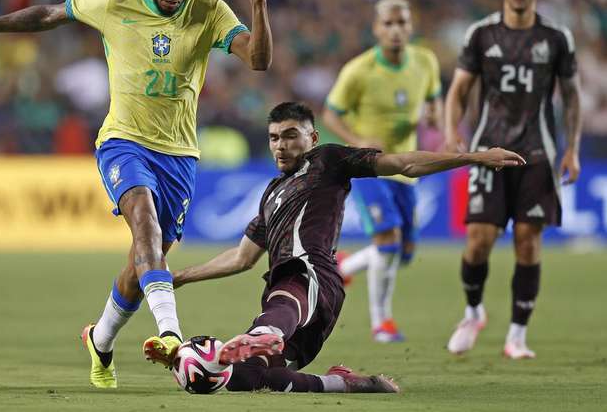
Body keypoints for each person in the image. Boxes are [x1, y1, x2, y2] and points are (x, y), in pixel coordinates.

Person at [0, 0, 273, 387]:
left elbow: (257, 60)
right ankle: (172, 336)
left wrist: (258, 4)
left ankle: (101, 339)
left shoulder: (210, 11)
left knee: (142, 263)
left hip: (178, 155)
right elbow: (47, 15)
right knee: (145, 224)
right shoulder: (114, 3)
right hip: (123, 141)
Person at [172, 102, 524, 393]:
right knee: (250, 379)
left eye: (291, 136)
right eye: (274, 137)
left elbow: (405, 164)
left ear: (313, 137)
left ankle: (265, 335)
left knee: (286, 290)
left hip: (307, 276)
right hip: (314, 300)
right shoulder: (270, 195)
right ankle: (347, 383)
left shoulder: (327, 160)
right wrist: (181, 277)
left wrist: (474, 157)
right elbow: (242, 257)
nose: (281, 145)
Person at [444, 0, 582, 359]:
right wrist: (454, 132)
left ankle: (518, 335)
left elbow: (571, 97)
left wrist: (571, 148)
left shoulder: (556, 37)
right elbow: (459, 89)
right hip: (489, 152)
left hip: (538, 154)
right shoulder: (482, 34)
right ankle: (473, 313)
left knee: (528, 241)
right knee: (478, 241)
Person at [321, 0, 442, 342]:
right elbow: (331, 113)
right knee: (387, 239)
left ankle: (344, 267)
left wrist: (436, 114)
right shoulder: (358, 70)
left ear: (410, 26)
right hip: (370, 168)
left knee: (403, 252)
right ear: (376, 29)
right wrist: (357, 141)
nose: (395, 30)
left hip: (406, 167)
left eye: (401, 23)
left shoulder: (425, 61)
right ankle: (382, 323)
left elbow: (434, 97)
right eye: (388, 24)